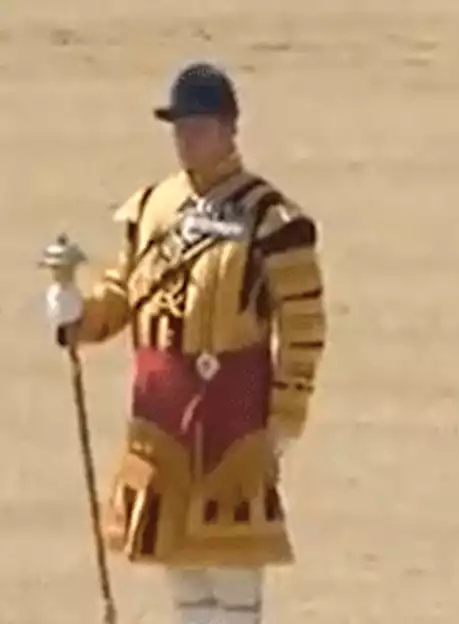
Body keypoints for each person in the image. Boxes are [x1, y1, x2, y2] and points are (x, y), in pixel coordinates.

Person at [41, 61, 326, 624]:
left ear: (228, 129)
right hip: (161, 418)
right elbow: (122, 292)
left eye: (197, 127)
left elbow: (303, 324)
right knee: (183, 576)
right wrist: (78, 315)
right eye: (179, 128)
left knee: (234, 578)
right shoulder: (152, 207)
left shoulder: (271, 218)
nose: (185, 139)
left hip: (234, 419)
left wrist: (285, 414)